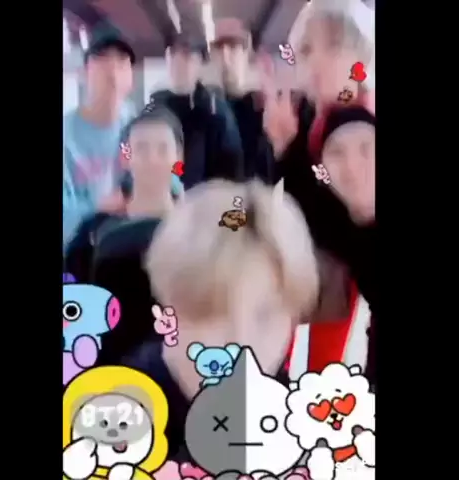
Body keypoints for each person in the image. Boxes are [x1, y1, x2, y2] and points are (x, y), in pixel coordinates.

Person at [121, 180, 320, 461]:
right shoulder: (105, 428)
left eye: (266, 316)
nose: (242, 345)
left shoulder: (305, 427)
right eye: (216, 314)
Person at [263, 0, 376, 384]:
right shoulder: (313, 118)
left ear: (361, 55)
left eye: (333, 46)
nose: (316, 61)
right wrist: (285, 149)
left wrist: (289, 152)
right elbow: (305, 205)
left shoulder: (362, 126)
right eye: (307, 50)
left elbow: (344, 231)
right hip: (321, 282)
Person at [64, 106, 184, 282]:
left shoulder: (195, 229)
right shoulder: (93, 233)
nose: (152, 159)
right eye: (141, 148)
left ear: (179, 158)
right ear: (124, 158)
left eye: (163, 149)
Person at [63, 34, 136, 250]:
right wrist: (99, 206)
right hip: (79, 253)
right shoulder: (66, 136)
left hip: (133, 247)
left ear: (131, 77)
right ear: (83, 73)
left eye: (121, 61)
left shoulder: (139, 126)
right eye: (102, 59)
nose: (112, 71)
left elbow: (174, 173)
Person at [151, 33, 244, 189]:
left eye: (186, 55)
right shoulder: (156, 110)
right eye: (173, 54)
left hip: (207, 197)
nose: (178, 62)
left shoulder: (215, 111)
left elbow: (233, 169)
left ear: (199, 62)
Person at [204, 19, 275, 185]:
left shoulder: (265, 108)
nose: (225, 57)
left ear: (246, 52)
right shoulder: (204, 110)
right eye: (219, 48)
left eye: (233, 46)